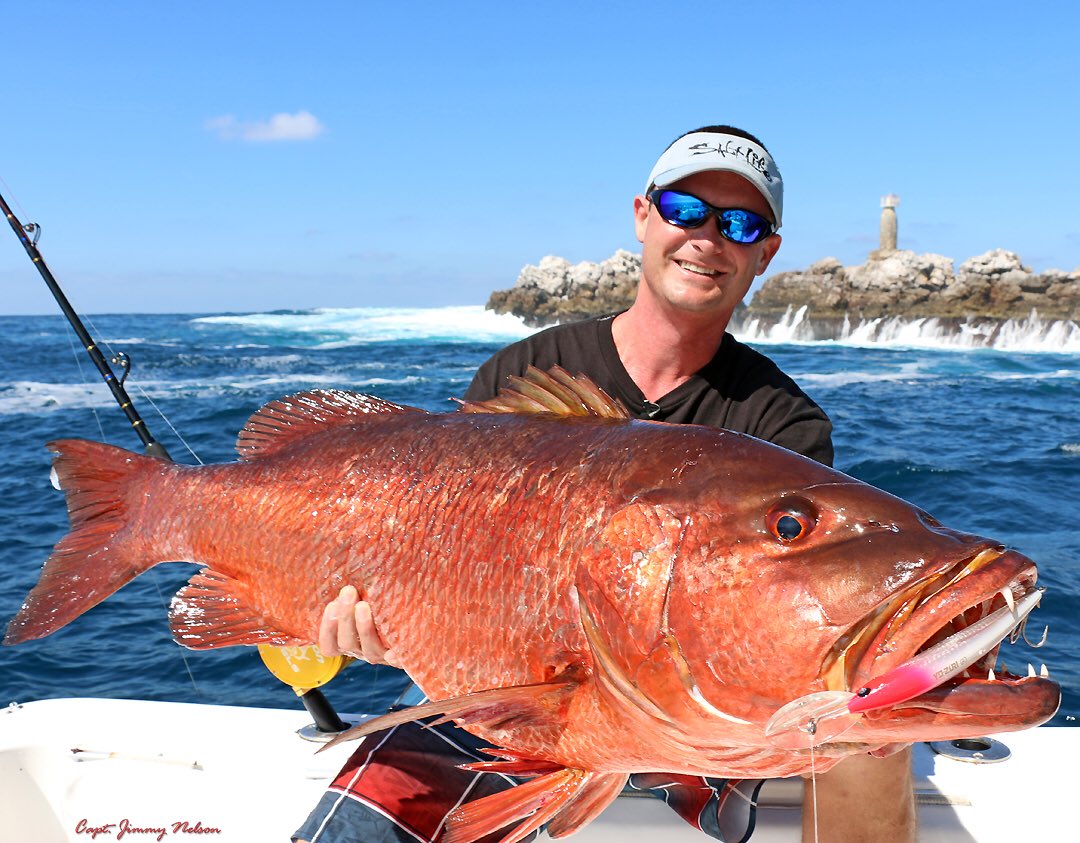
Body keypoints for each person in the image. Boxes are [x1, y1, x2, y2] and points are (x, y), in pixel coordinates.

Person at [295, 125, 916, 843]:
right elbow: (440, 550)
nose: (707, 238)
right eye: (685, 209)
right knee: (366, 821)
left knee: (877, 731)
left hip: (695, 706)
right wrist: (391, 631)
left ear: (765, 253)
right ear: (643, 216)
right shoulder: (525, 372)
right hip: (513, 688)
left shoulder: (781, 423)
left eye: (740, 224)